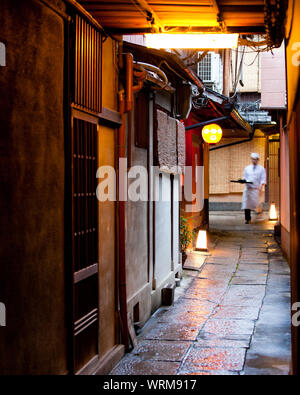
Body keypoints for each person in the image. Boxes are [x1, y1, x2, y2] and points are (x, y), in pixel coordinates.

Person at [241, 152, 266, 224]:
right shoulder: (247, 168)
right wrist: (243, 180)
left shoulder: (261, 169)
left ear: (258, 160)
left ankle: (259, 213)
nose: (254, 161)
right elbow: (244, 176)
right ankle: (247, 219)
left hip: (255, 189)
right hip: (248, 189)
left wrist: (261, 186)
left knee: (256, 204)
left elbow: (263, 179)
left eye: (255, 159)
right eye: (252, 159)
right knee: (247, 205)